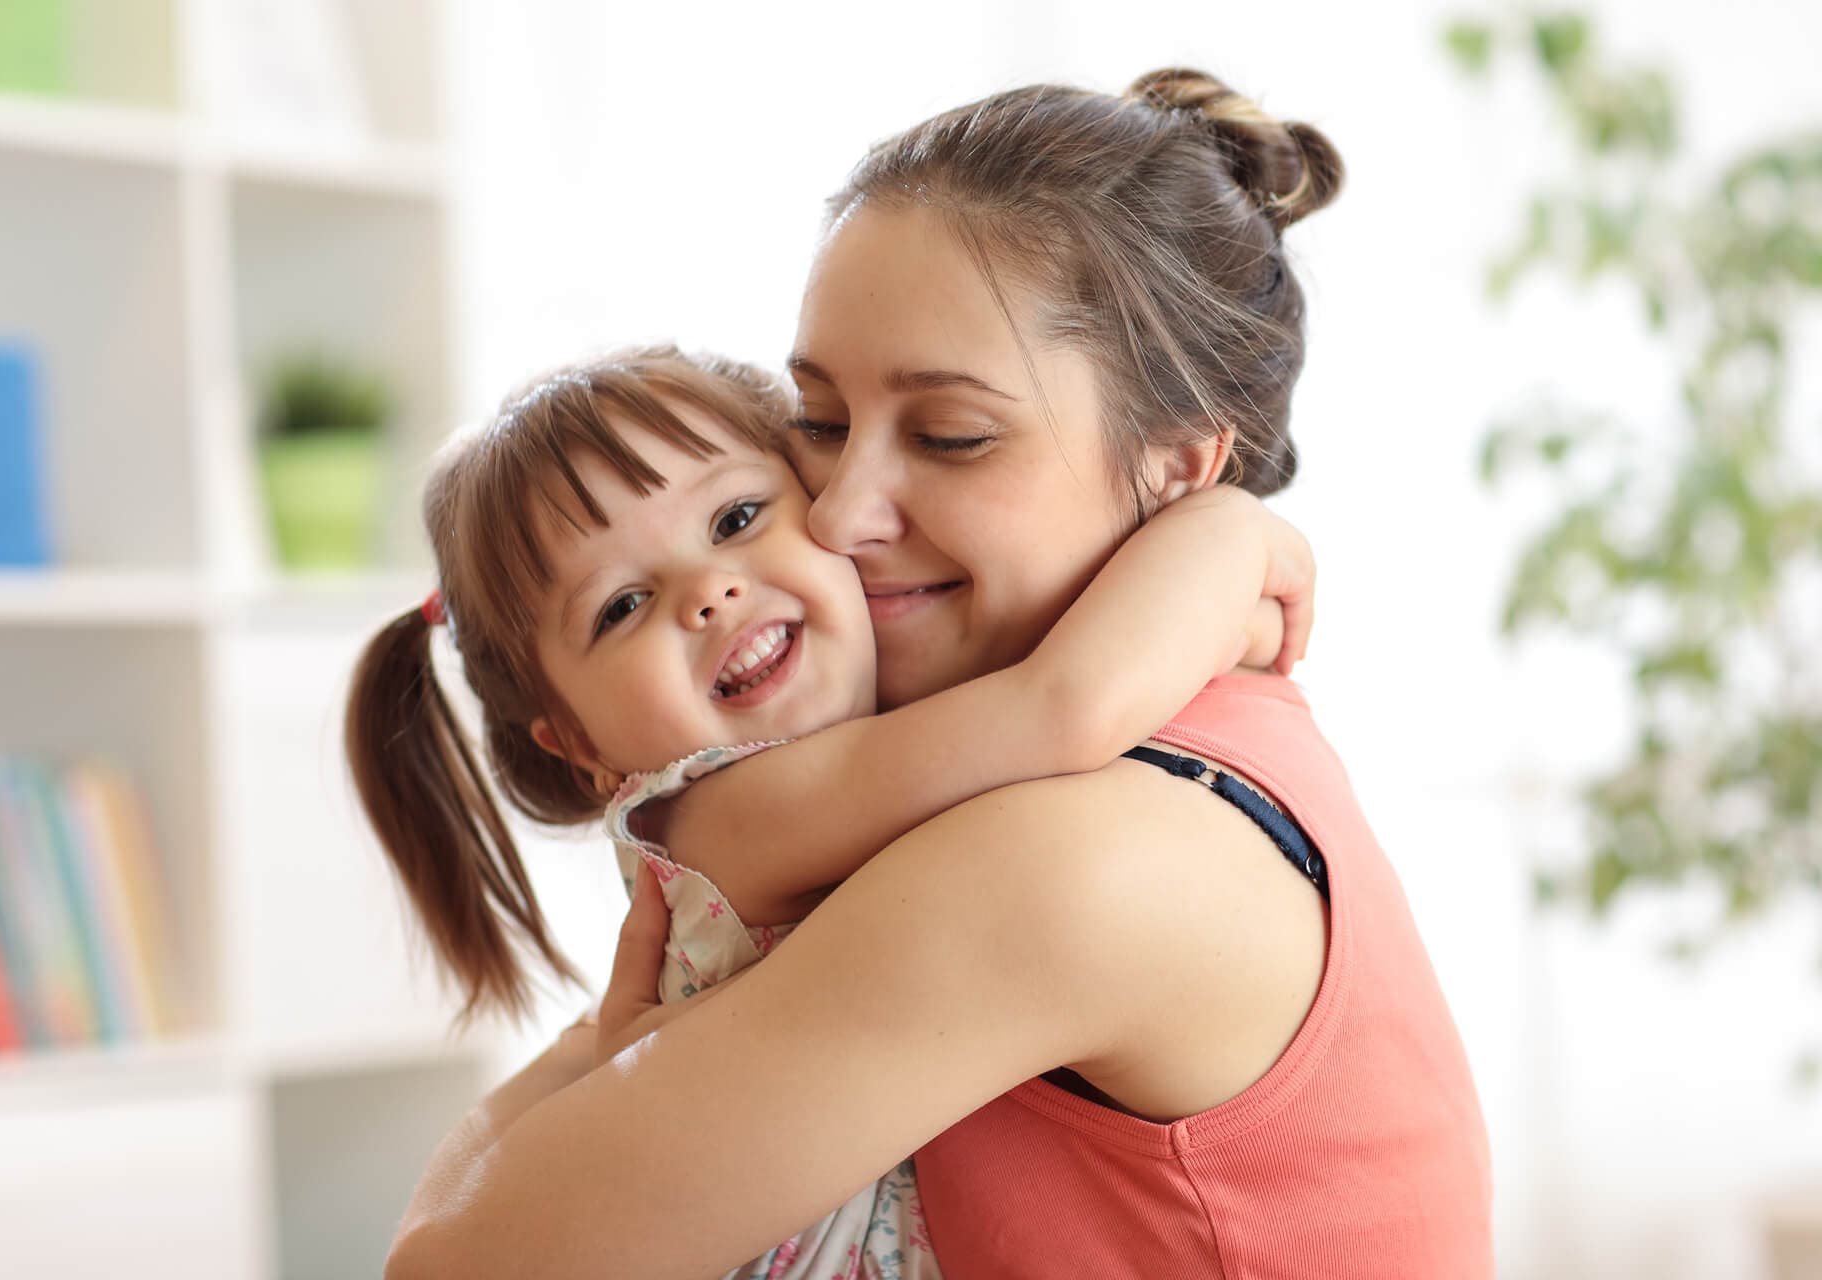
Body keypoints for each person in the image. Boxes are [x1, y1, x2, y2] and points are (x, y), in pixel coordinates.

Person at [383, 69, 1493, 1279]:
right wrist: (1223, 539)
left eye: (950, 434)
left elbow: (451, 1263)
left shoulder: (1066, 857)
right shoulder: (1178, 736)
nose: (844, 510)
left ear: (1180, 464)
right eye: (816, 421)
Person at [346, 346, 1313, 1278]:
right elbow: (1062, 707)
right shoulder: (724, 810)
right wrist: (1227, 538)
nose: (709, 592)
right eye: (623, 606)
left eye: (734, 518)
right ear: (581, 745)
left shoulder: (891, 752)